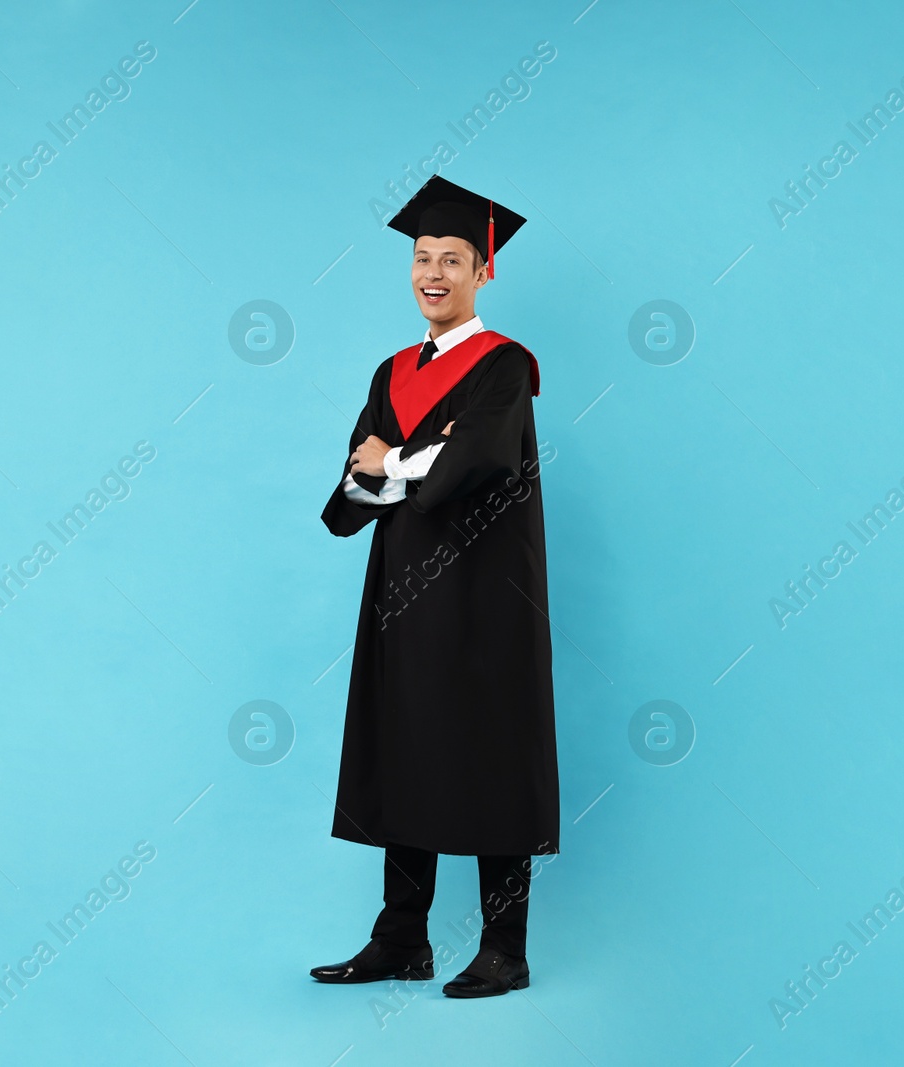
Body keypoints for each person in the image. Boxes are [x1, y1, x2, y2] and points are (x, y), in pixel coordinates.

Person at [312, 176, 560, 998]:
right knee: (406, 742)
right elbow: (353, 486)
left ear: (483, 271)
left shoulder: (504, 368)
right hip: (404, 595)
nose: (434, 273)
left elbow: (471, 464)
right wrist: (401, 461)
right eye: (423, 258)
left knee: (493, 751)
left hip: (487, 597)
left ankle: (505, 948)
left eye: (453, 259)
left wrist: (397, 460)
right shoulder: (391, 370)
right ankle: (401, 941)